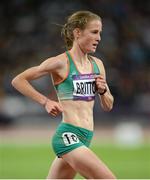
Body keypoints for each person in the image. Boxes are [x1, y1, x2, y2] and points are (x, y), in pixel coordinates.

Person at [12, 10, 116, 179]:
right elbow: (18, 80)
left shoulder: (98, 65)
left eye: (100, 33)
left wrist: (103, 91)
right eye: (94, 32)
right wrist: (45, 101)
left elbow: (108, 105)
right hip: (68, 135)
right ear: (77, 33)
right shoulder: (61, 62)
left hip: (86, 137)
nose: (99, 38)